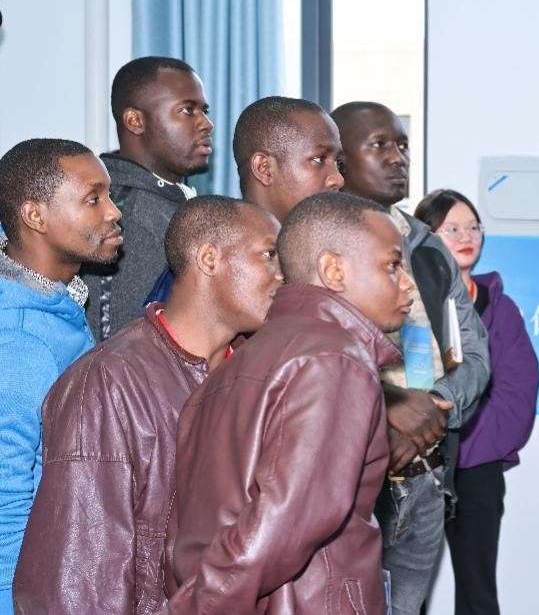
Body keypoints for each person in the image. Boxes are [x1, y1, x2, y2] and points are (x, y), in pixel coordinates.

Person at [13, 196, 282, 614]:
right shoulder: (107, 383)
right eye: (268, 255)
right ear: (209, 259)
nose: (283, 276)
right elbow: (80, 586)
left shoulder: (261, 374)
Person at [163, 192, 415, 614]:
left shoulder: (234, 363)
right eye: (393, 265)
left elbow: (185, 532)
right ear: (334, 270)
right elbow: (286, 521)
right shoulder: (336, 359)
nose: (407, 283)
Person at [331, 102, 490, 615]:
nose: (397, 157)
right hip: (354, 483)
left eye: (402, 145)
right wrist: (389, 419)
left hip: (428, 475)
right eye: (379, 145)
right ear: (338, 157)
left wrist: (435, 408)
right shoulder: (315, 242)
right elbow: (314, 364)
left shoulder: (428, 247)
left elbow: (474, 353)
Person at [0, 139, 122, 614]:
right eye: (93, 199)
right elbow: (5, 507)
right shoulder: (19, 339)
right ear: (35, 216)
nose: (113, 212)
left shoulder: (56, 300)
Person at [413, 189, 539, 615]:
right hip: (416, 464)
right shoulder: (406, 302)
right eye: (451, 228)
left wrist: (461, 442)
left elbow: (516, 392)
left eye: (473, 227)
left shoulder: (502, 308)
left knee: (477, 589)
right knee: (407, 588)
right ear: (425, 237)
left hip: (476, 468)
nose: (466, 237)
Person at [144, 95, 345, 304]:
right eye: (319, 159)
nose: (338, 179)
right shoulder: (209, 266)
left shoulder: (330, 258)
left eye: (338, 163)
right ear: (264, 168)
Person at [83, 56, 213, 341]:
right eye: (187, 110)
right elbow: (112, 345)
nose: (206, 124)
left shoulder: (170, 202)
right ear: (135, 121)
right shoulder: (121, 214)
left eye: (204, 111)